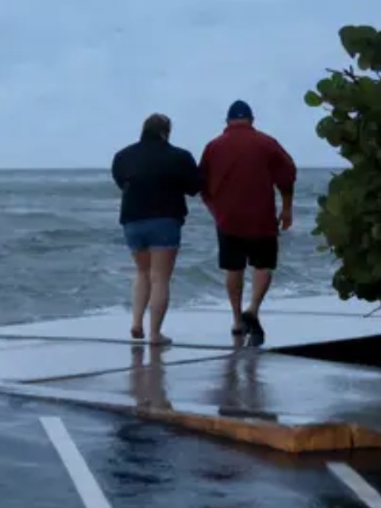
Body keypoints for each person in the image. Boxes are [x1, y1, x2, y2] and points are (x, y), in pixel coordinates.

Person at [199, 100, 297, 346]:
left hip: (228, 219)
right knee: (263, 266)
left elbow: (202, 185)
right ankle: (253, 309)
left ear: (227, 122)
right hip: (262, 217)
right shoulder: (266, 143)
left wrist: (216, 211)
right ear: (252, 120)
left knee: (234, 269)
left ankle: (236, 320)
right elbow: (288, 175)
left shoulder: (213, 146)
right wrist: (286, 209)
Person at [111, 113, 200, 345]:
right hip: (165, 219)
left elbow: (122, 182)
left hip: (132, 220)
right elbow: (194, 187)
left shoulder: (122, 156)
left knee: (142, 273)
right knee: (160, 277)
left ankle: (136, 322)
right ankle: (155, 334)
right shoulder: (179, 156)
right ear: (166, 132)